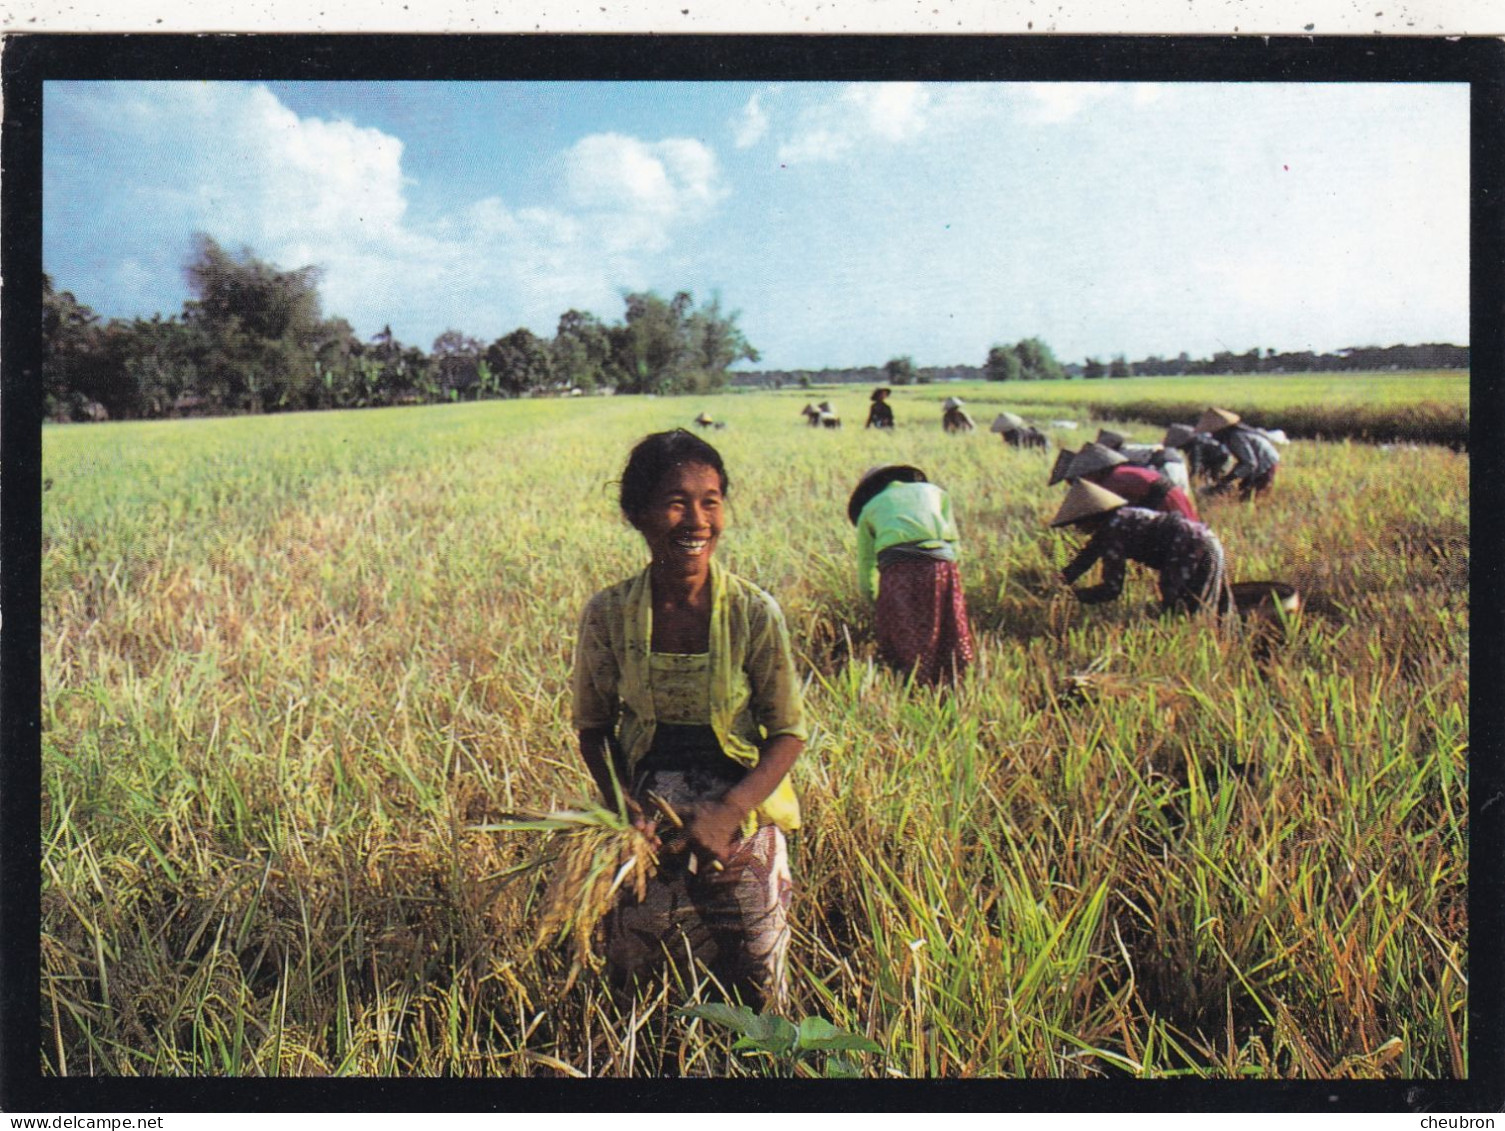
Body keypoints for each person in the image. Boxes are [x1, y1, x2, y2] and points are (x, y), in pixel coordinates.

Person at [572, 429, 807, 1011]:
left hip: (740, 811)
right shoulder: (608, 614)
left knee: (756, 971)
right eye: (676, 502)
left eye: (711, 500)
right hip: (647, 817)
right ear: (638, 514)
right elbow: (594, 728)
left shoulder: (754, 612)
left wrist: (729, 812)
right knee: (640, 977)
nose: (697, 520)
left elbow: (787, 732)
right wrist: (624, 807)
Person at [849, 464, 975, 686]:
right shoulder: (936, 493)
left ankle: (916, 683)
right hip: (941, 567)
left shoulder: (869, 510)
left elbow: (866, 565)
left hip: (899, 573)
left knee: (906, 630)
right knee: (947, 624)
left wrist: (876, 601)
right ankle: (954, 680)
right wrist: (950, 582)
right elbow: (954, 544)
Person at [1050, 479, 1229, 615]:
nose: (1078, 528)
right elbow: (1088, 556)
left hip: (1194, 548)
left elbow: (1112, 589)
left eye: (1079, 522)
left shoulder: (1114, 530)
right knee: (1210, 603)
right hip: (1206, 540)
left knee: (1182, 607)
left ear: (1092, 516)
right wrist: (1063, 579)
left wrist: (1075, 597)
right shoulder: (1118, 519)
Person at [1063, 442, 1200, 521]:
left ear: (1093, 471)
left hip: (1165, 500)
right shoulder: (1119, 472)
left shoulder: (1112, 481)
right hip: (1171, 494)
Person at [1197, 407, 1280, 498]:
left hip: (1265, 463)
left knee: (1251, 496)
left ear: (1220, 430)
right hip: (1261, 462)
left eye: (1213, 433)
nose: (1213, 436)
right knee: (1243, 489)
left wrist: (1228, 479)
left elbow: (1249, 463)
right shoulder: (1233, 435)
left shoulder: (1235, 437)